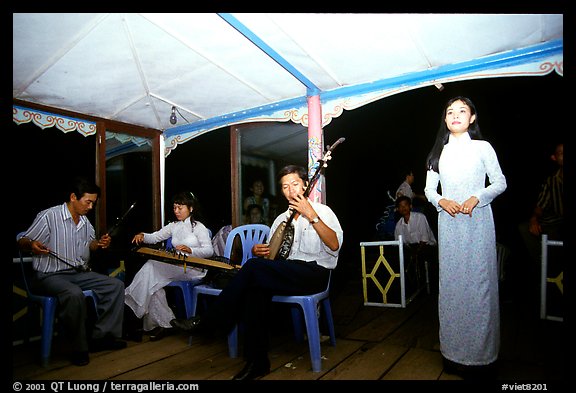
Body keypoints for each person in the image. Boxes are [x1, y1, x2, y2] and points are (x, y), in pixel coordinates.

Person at [171, 164, 343, 380]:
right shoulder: (281, 220)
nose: (290, 190)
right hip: (288, 272)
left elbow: (334, 244)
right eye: (285, 186)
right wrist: (258, 251)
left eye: (295, 184)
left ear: (306, 185)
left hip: (315, 273)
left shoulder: (323, 211)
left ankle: (209, 322)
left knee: (252, 270)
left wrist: (312, 216)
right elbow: (273, 257)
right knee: (255, 290)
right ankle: (257, 362)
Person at [424, 96, 506, 379]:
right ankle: (454, 355)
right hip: (449, 225)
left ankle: (483, 358)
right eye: (450, 112)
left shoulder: (483, 147)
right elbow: (429, 190)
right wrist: (441, 202)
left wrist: (478, 197)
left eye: (462, 111)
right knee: (453, 287)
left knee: (480, 287)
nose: (455, 115)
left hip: (478, 222)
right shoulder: (438, 152)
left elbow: (500, 182)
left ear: (472, 118)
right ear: (445, 120)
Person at [17, 176, 126, 366]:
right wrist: (31, 245)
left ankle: (100, 337)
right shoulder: (49, 216)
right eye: (88, 202)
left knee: (115, 285)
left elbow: (90, 245)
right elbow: (22, 240)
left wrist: (99, 244)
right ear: (73, 197)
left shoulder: (84, 222)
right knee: (73, 294)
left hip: (78, 273)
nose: (91, 207)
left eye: (93, 203)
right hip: (48, 276)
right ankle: (79, 347)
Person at [125, 191, 214, 341]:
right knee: (153, 286)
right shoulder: (174, 226)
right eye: (174, 208)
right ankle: (166, 323)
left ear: (191, 208)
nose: (177, 211)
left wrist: (191, 250)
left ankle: (130, 306)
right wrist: (143, 235)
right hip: (178, 266)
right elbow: (155, 236)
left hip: (194, 268)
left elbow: (209, 250)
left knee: (151, 266)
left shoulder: (199, 227)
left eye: (181, 208)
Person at [518, 142, 563, 266]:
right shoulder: (552, 181)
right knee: (526, 228)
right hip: (558, 222)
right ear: (554, 158)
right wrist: (534, 219)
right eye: (561, 153)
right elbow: (541, 205)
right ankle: (545, 269)